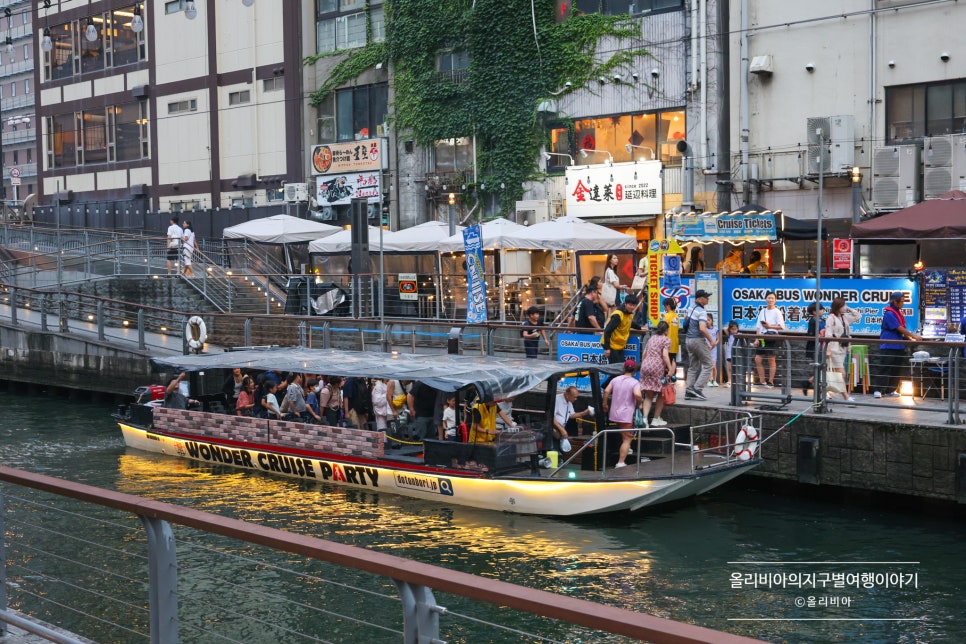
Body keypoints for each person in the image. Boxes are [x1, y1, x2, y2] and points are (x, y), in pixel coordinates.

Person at [873, 291, 921, 398]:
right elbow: (899, 328)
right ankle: (878, 389)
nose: (903, 303)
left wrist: (910, 339)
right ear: (895, 301)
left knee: (896, 368)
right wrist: (914, 336)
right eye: (902, 301)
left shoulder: (899, 313)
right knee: (885, 367)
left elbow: (902, 329)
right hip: (888, 345)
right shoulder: (889, 313)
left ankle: (891, 389)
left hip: (899, 345)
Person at [602, 359, 643, 468]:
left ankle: (626, 449)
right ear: (634, 370)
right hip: (626, 415)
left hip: (614, 413)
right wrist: (640, 404)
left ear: (624, 368)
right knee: (627, 439)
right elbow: (638, 395)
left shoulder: (615, 379)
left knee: (623, 435)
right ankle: (620, 462)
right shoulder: (635, 382)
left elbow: (606, 391)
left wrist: (605, 404)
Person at [639, 321, 675, 427]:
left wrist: (644, 365)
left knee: (649, 395)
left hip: (645, 366)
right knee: (660, 393)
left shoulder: (651, 339)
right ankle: (656, 419)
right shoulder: (666, 340)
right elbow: (664, 355)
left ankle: (644, 420)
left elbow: (644, 354)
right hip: (657, 367)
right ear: (666, 330)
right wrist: (670, 369)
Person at [826, 297, 861, 404]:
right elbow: (828, 334)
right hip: (834, 348)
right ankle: (846, 397)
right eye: (843, 305)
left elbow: (858, 316)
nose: (845, 307)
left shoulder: (844, 317)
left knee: (830, 372)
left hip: (843, 349)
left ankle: (817, 387)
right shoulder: (831, 318)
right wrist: (828, 350)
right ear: (838, 307)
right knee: (841, 374)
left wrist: (849, 309)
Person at [684, 290, 714, 400]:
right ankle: (697, 389)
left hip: (688, 340)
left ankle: (689, 390)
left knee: (693, 366)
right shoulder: (702, 311)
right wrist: (711, 340)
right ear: (700, 299)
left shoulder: (691, 307)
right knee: (709, 364)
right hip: (697, 340)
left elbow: (686, 319)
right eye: (706, 297)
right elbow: (702, 328)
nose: (708, 299)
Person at [754, 291, 785, 388]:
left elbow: (782, 326)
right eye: (769, 298)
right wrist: (756, 339)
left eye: (772, 298)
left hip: (772, 337)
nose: (770, 300)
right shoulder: (762, 311)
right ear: (765, 299)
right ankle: (762, 381)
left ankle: (771, 381)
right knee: (758, 359)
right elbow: (758, 327)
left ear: (775, 300)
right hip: (762, 337)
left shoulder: (777, 311)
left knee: (771, 360)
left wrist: (769, 326)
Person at [601, 293, 642, 364]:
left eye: (634, 305)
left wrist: (640, 328)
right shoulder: (618, 315)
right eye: (630, 305)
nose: (632, 307)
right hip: (611, 345)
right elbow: (607, 331)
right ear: (625, 304)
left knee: (621, 368)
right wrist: (607, 348)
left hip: (619, 345)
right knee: (616, 369)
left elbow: (629, 323)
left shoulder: (629, 313)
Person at [552, 385, 593, 453]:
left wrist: (584, 413)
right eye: (574, 397)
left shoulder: (569, 402)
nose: (576, 399)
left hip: (562, 428)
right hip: (555, 428)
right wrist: (562, 430)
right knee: (555, 449)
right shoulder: (557, 400)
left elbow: (571, 415)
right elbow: (551, 417)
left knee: (561, 449)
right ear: (568, 395)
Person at [801, 303, 825, 395]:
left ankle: (808, 382)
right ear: (814, 312)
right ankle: (818, 391)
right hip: (815, 347)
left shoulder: (823, 320)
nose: (823, 311)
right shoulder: (813, 321)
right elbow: (810, 334)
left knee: (821, 367)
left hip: (823, 347)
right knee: (818, 367)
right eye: (821, 309)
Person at [663, 297, 680, 366]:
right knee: (673, 361)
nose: (664, 307)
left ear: (668, 306)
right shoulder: (677, 317)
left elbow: (663, 330)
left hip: (666, 343)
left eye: (664, 306)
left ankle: (667, 375)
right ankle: (672, 375)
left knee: (666, 364)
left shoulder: (666, 316)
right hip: (675, 343)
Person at [705, 313, 720, 386]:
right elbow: (703, 339)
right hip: (707, 349)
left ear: (712, 321)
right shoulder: (704, 329)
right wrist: (708, 345)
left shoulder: (715, 329)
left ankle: (714, 380)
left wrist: (714, 344)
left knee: (714, 366)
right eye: (706, 320)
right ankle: (708, 381)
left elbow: (718, 339)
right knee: (708, 366)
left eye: (709, 320)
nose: (707, 321)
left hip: (713, 350)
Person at [723, 320, 740, 386]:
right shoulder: (729, 335)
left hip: (737, 354)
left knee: (736, 368)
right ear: (730, 329)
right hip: (729, 354)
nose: (734, 331)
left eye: (735, 329)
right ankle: (729, 380)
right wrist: (729, 327)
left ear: (737, 329)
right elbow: (724, 329)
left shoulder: (739, 335)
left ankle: (737, 380)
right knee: (729, 368)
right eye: (732, 329)